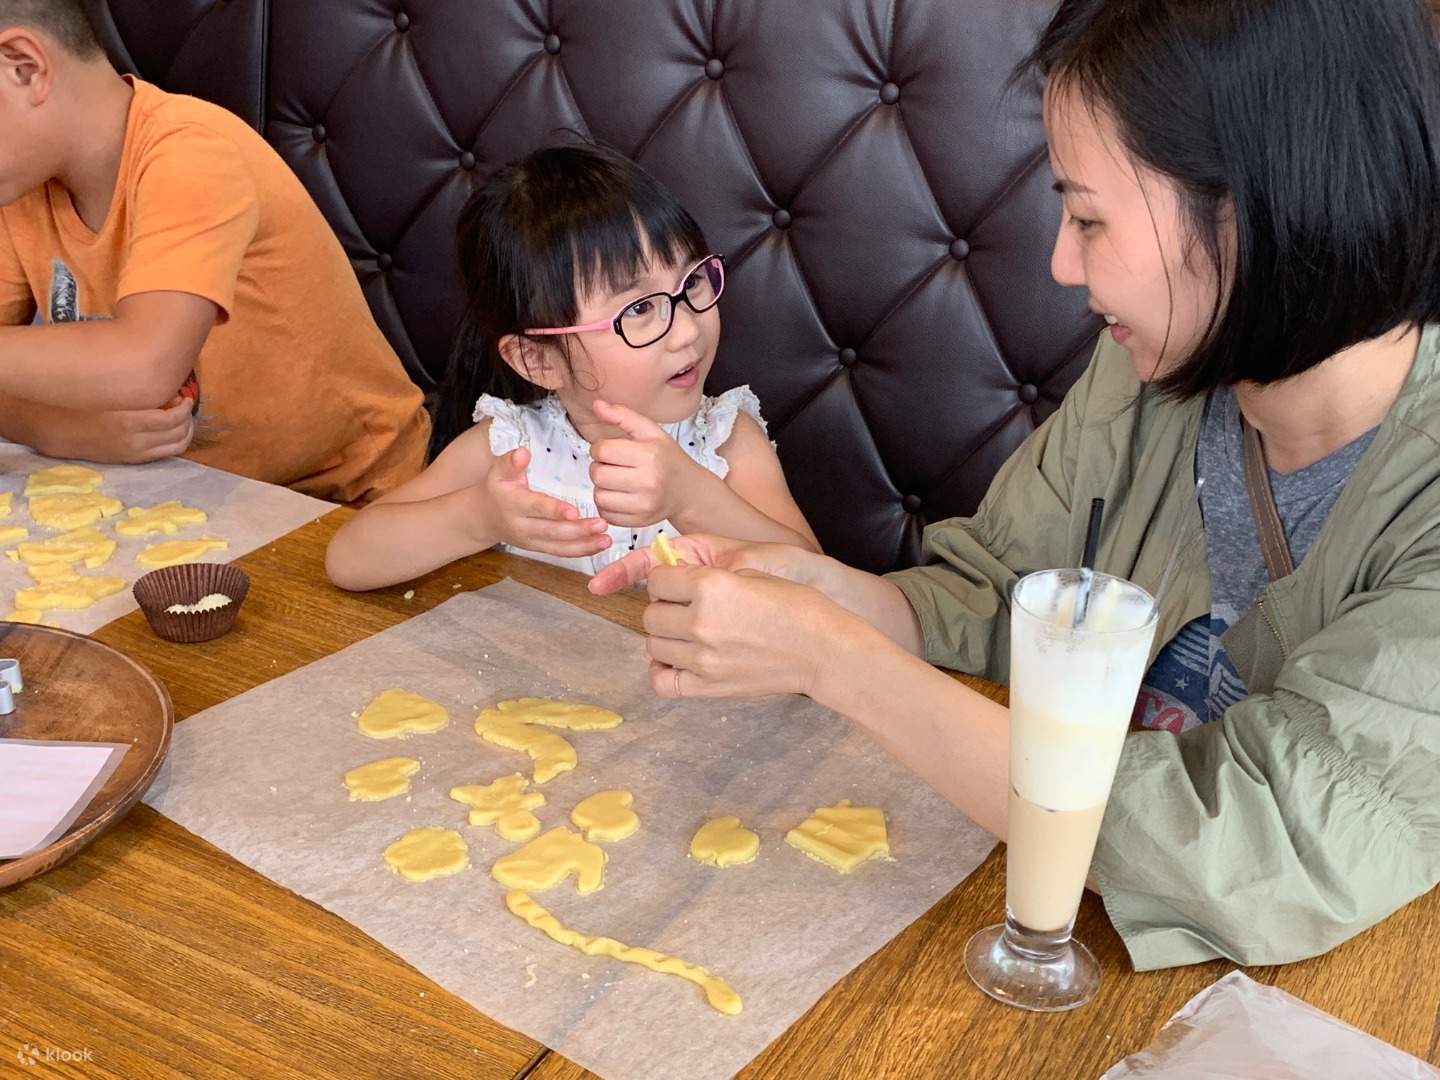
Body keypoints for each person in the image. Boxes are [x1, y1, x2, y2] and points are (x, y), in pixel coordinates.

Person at [591, 0, 1440, 970]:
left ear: (1259, 211)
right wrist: (821, 596)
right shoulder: (1162, 363)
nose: (1062, 263)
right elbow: (1006, 594)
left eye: (1089, 218)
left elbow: (1263, 850)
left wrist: (836, 660)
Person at [325, 144, 817, 590]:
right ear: (537, 360)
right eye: (640, 309)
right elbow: (349, 560)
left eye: (691, 283)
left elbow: (819, 584)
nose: (688, 330)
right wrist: (477, 517)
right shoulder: (512, 448)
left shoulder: (724, 440)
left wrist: (692, 498)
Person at [0, 1, 430, 503]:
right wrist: (52, 427)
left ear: (24, 67)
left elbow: (144, 364)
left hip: (356, 500)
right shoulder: (21, 185)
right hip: (184, 496)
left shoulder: (191, 154)